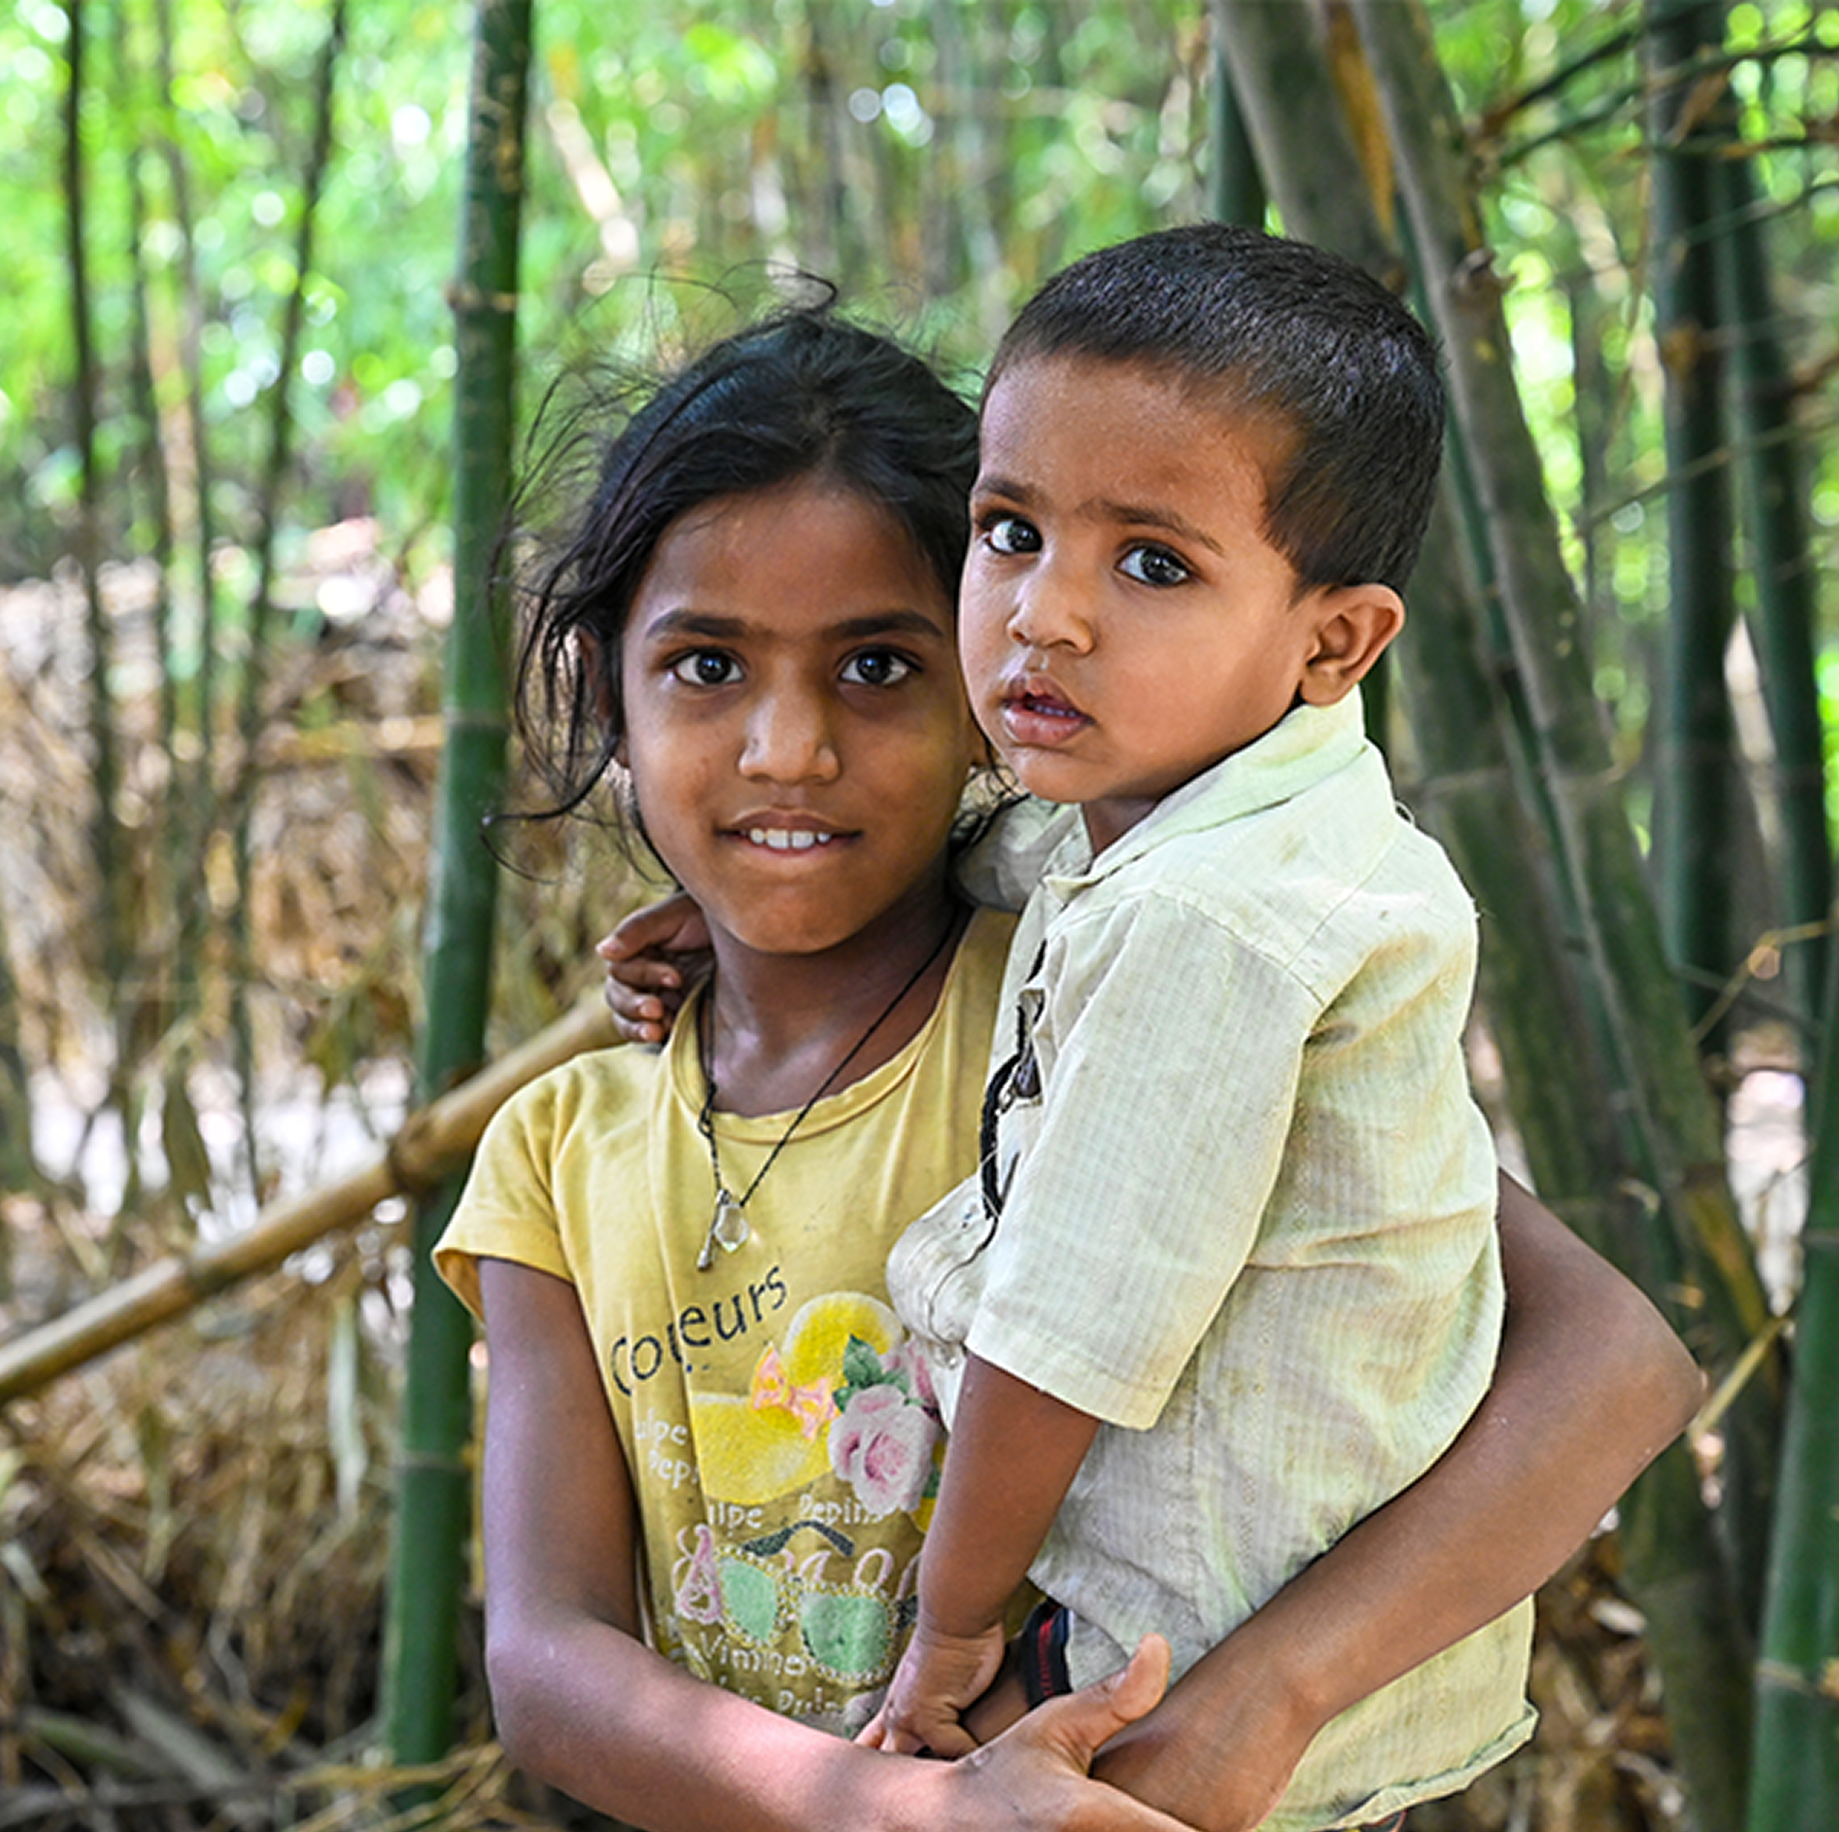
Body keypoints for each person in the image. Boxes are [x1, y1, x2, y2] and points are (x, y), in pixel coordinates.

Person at [441, 297, 1699, 1832]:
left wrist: (1263, 1700)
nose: (788, 751)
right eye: (706, 666)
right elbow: (548, 1665)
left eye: (877, 667)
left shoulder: (1112, 1002)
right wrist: (914, 1816)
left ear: (988, 700)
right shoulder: (557, 1150)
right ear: (607, 692)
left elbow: (1615, 1365)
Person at [850, 222, 1534, 1832]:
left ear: (1333, 641)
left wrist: (953, 1630)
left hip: (1175, 1675)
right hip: (1321, 1670)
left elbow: (1058, 1342)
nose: (1046, 614)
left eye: (1151, 564)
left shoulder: (1208, 919)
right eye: (1010, 530)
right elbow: (1010, 859)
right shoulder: (1224, 813)